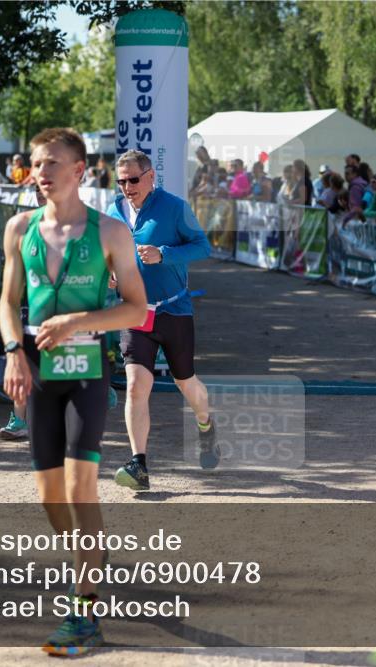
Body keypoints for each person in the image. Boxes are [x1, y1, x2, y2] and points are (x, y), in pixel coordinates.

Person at [0, 128, 147, 656]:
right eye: (36, 164)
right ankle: (90, 556)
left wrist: (78, 319)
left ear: (80, 170)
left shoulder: (110, 232)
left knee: (82, 489)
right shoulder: (19, 228)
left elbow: (135, 308)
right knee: (50, 498)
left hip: (86, 367)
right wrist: (14, 351)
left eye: (53, 163)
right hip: (37, 370)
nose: (41, 172)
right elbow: (6, 301)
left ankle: (84, 610)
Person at [105, 149, 216, 492]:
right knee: (137, 386)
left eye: (133, 179)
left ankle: (206, 424)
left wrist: (164, 254)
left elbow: (203, 247)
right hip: (135, 310)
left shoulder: (174, 207)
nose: (127, 187)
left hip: (174, 309)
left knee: (187, 383)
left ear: (151, 177)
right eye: (121, 181)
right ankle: (139, 464)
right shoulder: (114, 211)